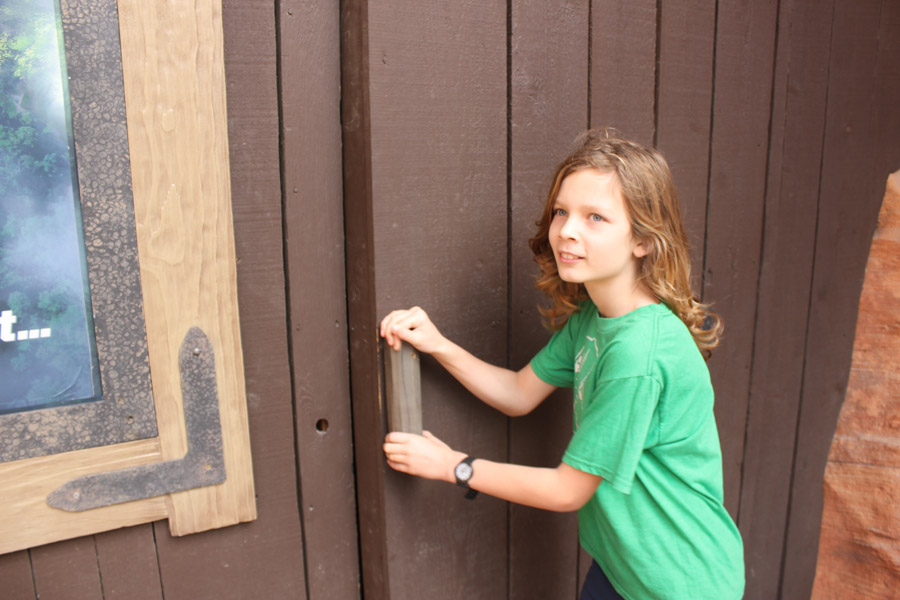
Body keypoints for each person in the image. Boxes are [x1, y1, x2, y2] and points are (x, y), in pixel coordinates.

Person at [380, 130, 745, 599]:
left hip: (679, 582)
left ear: (644, 241)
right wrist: (437, 345)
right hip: (623, 566)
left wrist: (456, 466)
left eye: (595, 217)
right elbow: (518, 393)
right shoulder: (595, 319)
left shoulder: (640, 355)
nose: (567, 230)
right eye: (561, 211)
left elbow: (567, 490)